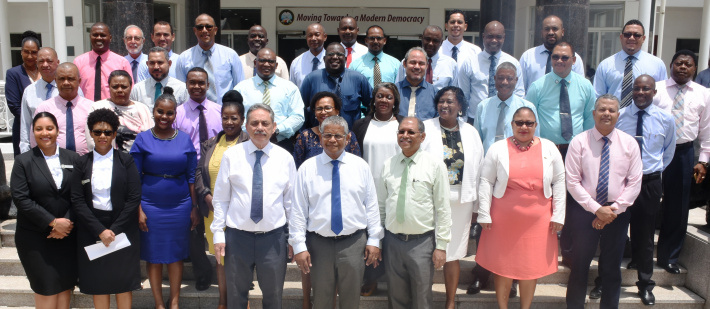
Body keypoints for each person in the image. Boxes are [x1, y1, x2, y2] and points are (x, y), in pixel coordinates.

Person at [589, 75, 676, 305]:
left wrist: (648, 174)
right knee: (612, 237)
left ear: (654, 92)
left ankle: (646, 284)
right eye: (636, 88)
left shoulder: (666, 120)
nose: (640, 92)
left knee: (644, 236)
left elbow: (667, 154)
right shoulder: (621, 116)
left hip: (648, 184)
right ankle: (603, 282)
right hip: (620, 185)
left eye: (645, 89)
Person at [475, 107, 565, 309]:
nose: (524, 127)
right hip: (503, 218)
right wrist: (484, 213)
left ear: (535, 125)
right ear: (512, 124)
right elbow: (485, 181)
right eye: (519, 123)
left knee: (530, 267)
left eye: (529, 123)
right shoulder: (497, 148)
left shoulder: (550, 148)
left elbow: (559, 181)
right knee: (502, 266)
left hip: (538, 219)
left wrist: (559, 214)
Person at [290, 115, 383, 309]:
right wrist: (298, 245)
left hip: (353, 243)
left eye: (338, 136)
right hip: (319, 244)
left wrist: (375, 240)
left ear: (348, 138)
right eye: (328, 135)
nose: (332, 140)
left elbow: (372, 206)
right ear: (321, 137)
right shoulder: (307, 168)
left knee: (351, 300)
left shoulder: (361, 167)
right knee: (322, 300)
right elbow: (298, 210)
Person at [211, 104, 297, 309]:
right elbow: (221, 198)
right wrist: (218, 234)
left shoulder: (285, 158)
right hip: (237, 238)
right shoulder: (232, 156)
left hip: (273, 239)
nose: (260, 127)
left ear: (274, 127)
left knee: (274, 296)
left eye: (265, 123)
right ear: (246, 127)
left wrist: (294, 237)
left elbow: (292, 203)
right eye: (254, 123)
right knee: (236, 296)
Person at [565, 94, 643, 309]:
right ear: (593, 113)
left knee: (611, 268)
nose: (606, 114)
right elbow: (572, 182)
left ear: (618, 115)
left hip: (617, 214)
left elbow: (634, 183)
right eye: (602, 109)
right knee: (579, 265)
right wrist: (597, 209)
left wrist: (612, 211)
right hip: (584, 211)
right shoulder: (579, 142)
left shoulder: (630, 144)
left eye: (611, 110)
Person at [130, 88, 199, 309]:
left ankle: (175, 302)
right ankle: (159, 304)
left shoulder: (185, 140)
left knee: (175, 255)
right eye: (160, 112)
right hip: (150, 204)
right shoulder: (142, 139)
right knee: (154, 256)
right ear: (154, 111)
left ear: (175, 115)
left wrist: (194, 207)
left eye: (169, 113)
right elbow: (133, 178)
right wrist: (138, 209)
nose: (164, 117)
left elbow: (191, 177)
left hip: (180, 205)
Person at [377, 117, 452, 309]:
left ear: (422, 136)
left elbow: (443, 208)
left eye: (411, 132)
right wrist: (377, 240)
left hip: (422, 243)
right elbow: (381, 206)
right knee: (396, 297)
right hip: (392, 241)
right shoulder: (389, 165)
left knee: (422, 298)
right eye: (401, 132)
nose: (405, 136)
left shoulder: (435, 165)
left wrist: (441, 245)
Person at [71, 109, 141, 309]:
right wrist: (100, 231)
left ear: (114, 134)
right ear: (91, 133)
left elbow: (134, 197)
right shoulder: (81, 163)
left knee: (122, 281)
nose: (102, 136)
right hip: (92, 228)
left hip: (122, 227)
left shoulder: (126, 161)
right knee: (98, 282)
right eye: (97, 132)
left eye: (107, 132)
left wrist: (114, 229)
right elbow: (77, 199)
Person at [421, 86, 484, 309]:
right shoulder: (426, 128)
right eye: (441, 101)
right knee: (426, 251)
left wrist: (478, 205)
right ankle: (423, 300)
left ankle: (450, 302)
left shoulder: (471, 132)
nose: (444, 105)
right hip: (429, 200)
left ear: (460, 106)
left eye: (450, 102)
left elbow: (479, 169)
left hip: (461, 201)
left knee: (453, 252)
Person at [11, 111, 79, 309]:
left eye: (49, 128)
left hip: (67, 234)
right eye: (39, 129)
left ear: (58, 130)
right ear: (33, 132)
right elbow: (21, 199)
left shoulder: (73, 158)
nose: (45, 133)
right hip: (35, 238)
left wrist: (65, 223)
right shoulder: (23, 162)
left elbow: (79, 196)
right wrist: (53, 222)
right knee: (46, 288)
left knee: (65, 286)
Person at [653, 50, 710, 275]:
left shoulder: (704, 94)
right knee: (647, 204)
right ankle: (641, 255)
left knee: (678, 207)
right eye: (679, 63)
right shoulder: (656, 89)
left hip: (684, 153)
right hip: (655, 152)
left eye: (688, 64)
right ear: (671, 65)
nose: (683, 67)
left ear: (695, 69)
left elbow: (706, 130)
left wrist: (703, 161)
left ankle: (669, 257)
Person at [194, 90, 249, 309]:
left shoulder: (249, 143)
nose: (229, 121)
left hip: (239, 212)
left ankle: (241, 301)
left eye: (234, 117)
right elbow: (199, 173)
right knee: (220, 257)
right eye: (225, 117)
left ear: (242, 120)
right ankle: (224, 301)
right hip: (214, 212)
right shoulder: (210, 144)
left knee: (239, 259)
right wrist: (207, 196)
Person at [352, 83, 404, 295]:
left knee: (392, 235)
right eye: (380, 96)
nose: (384, 100)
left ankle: (394, 279)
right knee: (371, 234)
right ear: (373, 100)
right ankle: (371, 278)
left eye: (389, 97)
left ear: (395, 101)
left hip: (396, 188)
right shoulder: (361, 125)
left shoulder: (402, 124)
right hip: (368, 188)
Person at [525, 42, 595, 156]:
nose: (559, 61)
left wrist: (586, 146)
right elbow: (528, 119)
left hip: (577, 150)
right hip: (545, 150)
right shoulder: (537, 87)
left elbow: (590, 119)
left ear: (574, 60)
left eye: (565, 58)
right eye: (555, 57)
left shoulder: (586, 86)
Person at [234, 48, 305, 152]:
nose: (266, 64)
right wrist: (254, 132)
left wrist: (275, 130)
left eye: (271, 61)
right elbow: (237, 116)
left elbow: (298, 116)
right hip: (248, 142)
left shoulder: (290, 88)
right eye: (262, 60)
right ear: (255, 63)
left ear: (276, 65)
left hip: (281, 142)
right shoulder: (241, 88)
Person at [457, 21, 525, 121]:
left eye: (498, 37)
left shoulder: (513, 62)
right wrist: (463, 122)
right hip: (475, 119)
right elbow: (463, 96)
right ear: (483, 36)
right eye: (490, 36)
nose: (494, 40)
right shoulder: (470, 62)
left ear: (504, 38)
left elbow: (519, 94)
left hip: (505, 119)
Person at [593, 19, 667, 107]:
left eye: (637, 35)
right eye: (627, 34)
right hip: (615, 118)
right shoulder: (606, 65)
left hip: (645, 118)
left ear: (643, 39)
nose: (631, 38)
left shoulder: (657, 65)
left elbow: (662, 97)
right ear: (621, 37)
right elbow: (598, 97)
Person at [175, 13, 244, 104]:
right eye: (200, 27)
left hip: (224, 113)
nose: (204, 30)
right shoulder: (184, 58)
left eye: (208, 27)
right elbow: (181, 91)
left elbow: (239, 87)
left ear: (215, 30)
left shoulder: (230, 55)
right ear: (195, 31)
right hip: (194, 113)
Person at [300, 42, 372, 128]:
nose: (335, 57)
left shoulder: (358, 78)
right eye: (331, 54)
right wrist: (302, 131)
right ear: (324, 58)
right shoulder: (311, 79)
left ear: (345, 59)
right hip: (318, 136)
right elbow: (300, 107)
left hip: (350, 136)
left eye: (339, 54)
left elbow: (371, 104)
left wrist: (364, 127)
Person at [476, 62, 538, 153]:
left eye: (509, 79)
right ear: (495, 79)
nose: (505, 82)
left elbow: (535, 140)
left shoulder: (527, 108)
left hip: (516, 161)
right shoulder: (482, 107)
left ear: (516, 80)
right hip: (488, 161)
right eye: (500, 78)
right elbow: (477, 142)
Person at [33, 62, 93, 155]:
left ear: (79, 81)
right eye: (62, 79)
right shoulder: (44, 108)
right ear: (56, 80)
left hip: (85, 162)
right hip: (54, 162)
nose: (66, 83)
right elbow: (35, 140)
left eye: (70, 79)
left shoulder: (91, 107)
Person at [20, 47, 72, 153]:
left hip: (66, 151)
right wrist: (25, 152)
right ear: (37, 64)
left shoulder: (71, 88)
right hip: (38, 151)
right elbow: (26, 124)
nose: (45, 65)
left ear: (57, 62)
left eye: (49, 61)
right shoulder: (29, 91)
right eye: (41, 61)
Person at [89, 70, 153, 152]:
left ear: (131, 87)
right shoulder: (97, 107)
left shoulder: (143, 108)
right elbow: (92, 142)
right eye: (115, 87)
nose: (120, 90)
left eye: (124, 87)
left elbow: (151, 139)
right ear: (109, 87)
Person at [293, 92, 362, 168]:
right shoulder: (305, 136)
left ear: (337, 110)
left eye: (327, 108)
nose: (323, 112)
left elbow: (356, 163)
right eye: (319, 109)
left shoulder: (348, 135)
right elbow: (297, 166)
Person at [519, 15, 585, 91]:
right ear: (541, 32)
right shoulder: (528, 56)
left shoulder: (572, 57)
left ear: (562, 32)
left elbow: (580, 87)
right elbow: (521, 88)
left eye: (555, 29)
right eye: (547, 29)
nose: (550, 32)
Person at [74, 22, 133, 101]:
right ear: (90, 37)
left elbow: (130, 90)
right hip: (86, 110)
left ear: (110, 38)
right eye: (95, 35)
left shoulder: (122, 63)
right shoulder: (79, 62)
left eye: (103, 35)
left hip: (112, 110)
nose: (99, 38)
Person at [6, 31, 41, 156]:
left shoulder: (45, 72)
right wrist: (38, 120)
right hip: (24, 127)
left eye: (34, 52)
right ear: (21, 52)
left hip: (47, 128)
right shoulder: (13, 74)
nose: (30, 56)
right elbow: (14, 106)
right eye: (26, 51)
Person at [175, 67, 223, 157]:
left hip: (215, 165)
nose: (196, 86)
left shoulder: (220, 112)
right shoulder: (177, 114)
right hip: (187, 165)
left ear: (208, 85)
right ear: (186, 85)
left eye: (201, 83)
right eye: (192, 83)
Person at [397, 26, 458, 92]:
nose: (431, 44)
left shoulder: (451, 64)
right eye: (427, 39)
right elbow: (398, 90)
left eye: (435, 41)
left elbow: (453, 94)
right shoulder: (407, 63)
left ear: (441, 42)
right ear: (422, 39)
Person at [396, 47, 437, 120]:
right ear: (405, 64)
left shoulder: (435, 93)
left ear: (427, 66)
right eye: (413, 62)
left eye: (421, 63)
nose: (417, 67)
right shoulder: (394, 91)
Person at [290, 23, 327, 88]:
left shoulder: (333, 61)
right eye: (310, 35)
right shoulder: (296, 63)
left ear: (325, 37)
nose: (313, 38)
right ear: (306, 38)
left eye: (317, 35)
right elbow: (292, 90)